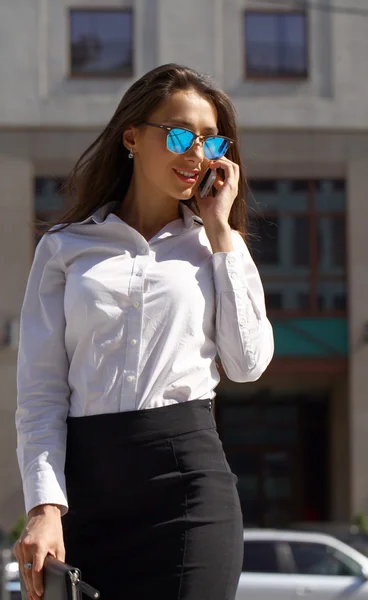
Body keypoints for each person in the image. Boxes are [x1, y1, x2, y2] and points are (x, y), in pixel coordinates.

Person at [14, 63, 274, 600]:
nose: (195, 153)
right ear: (132, 136)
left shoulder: (216, 247)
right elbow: (40, 394)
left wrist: (222, 230)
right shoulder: (65, 249)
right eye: (180, 134)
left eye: (210, 140)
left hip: (186, 486)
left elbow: (247, 364)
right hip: (87, 493)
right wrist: (44, 507)